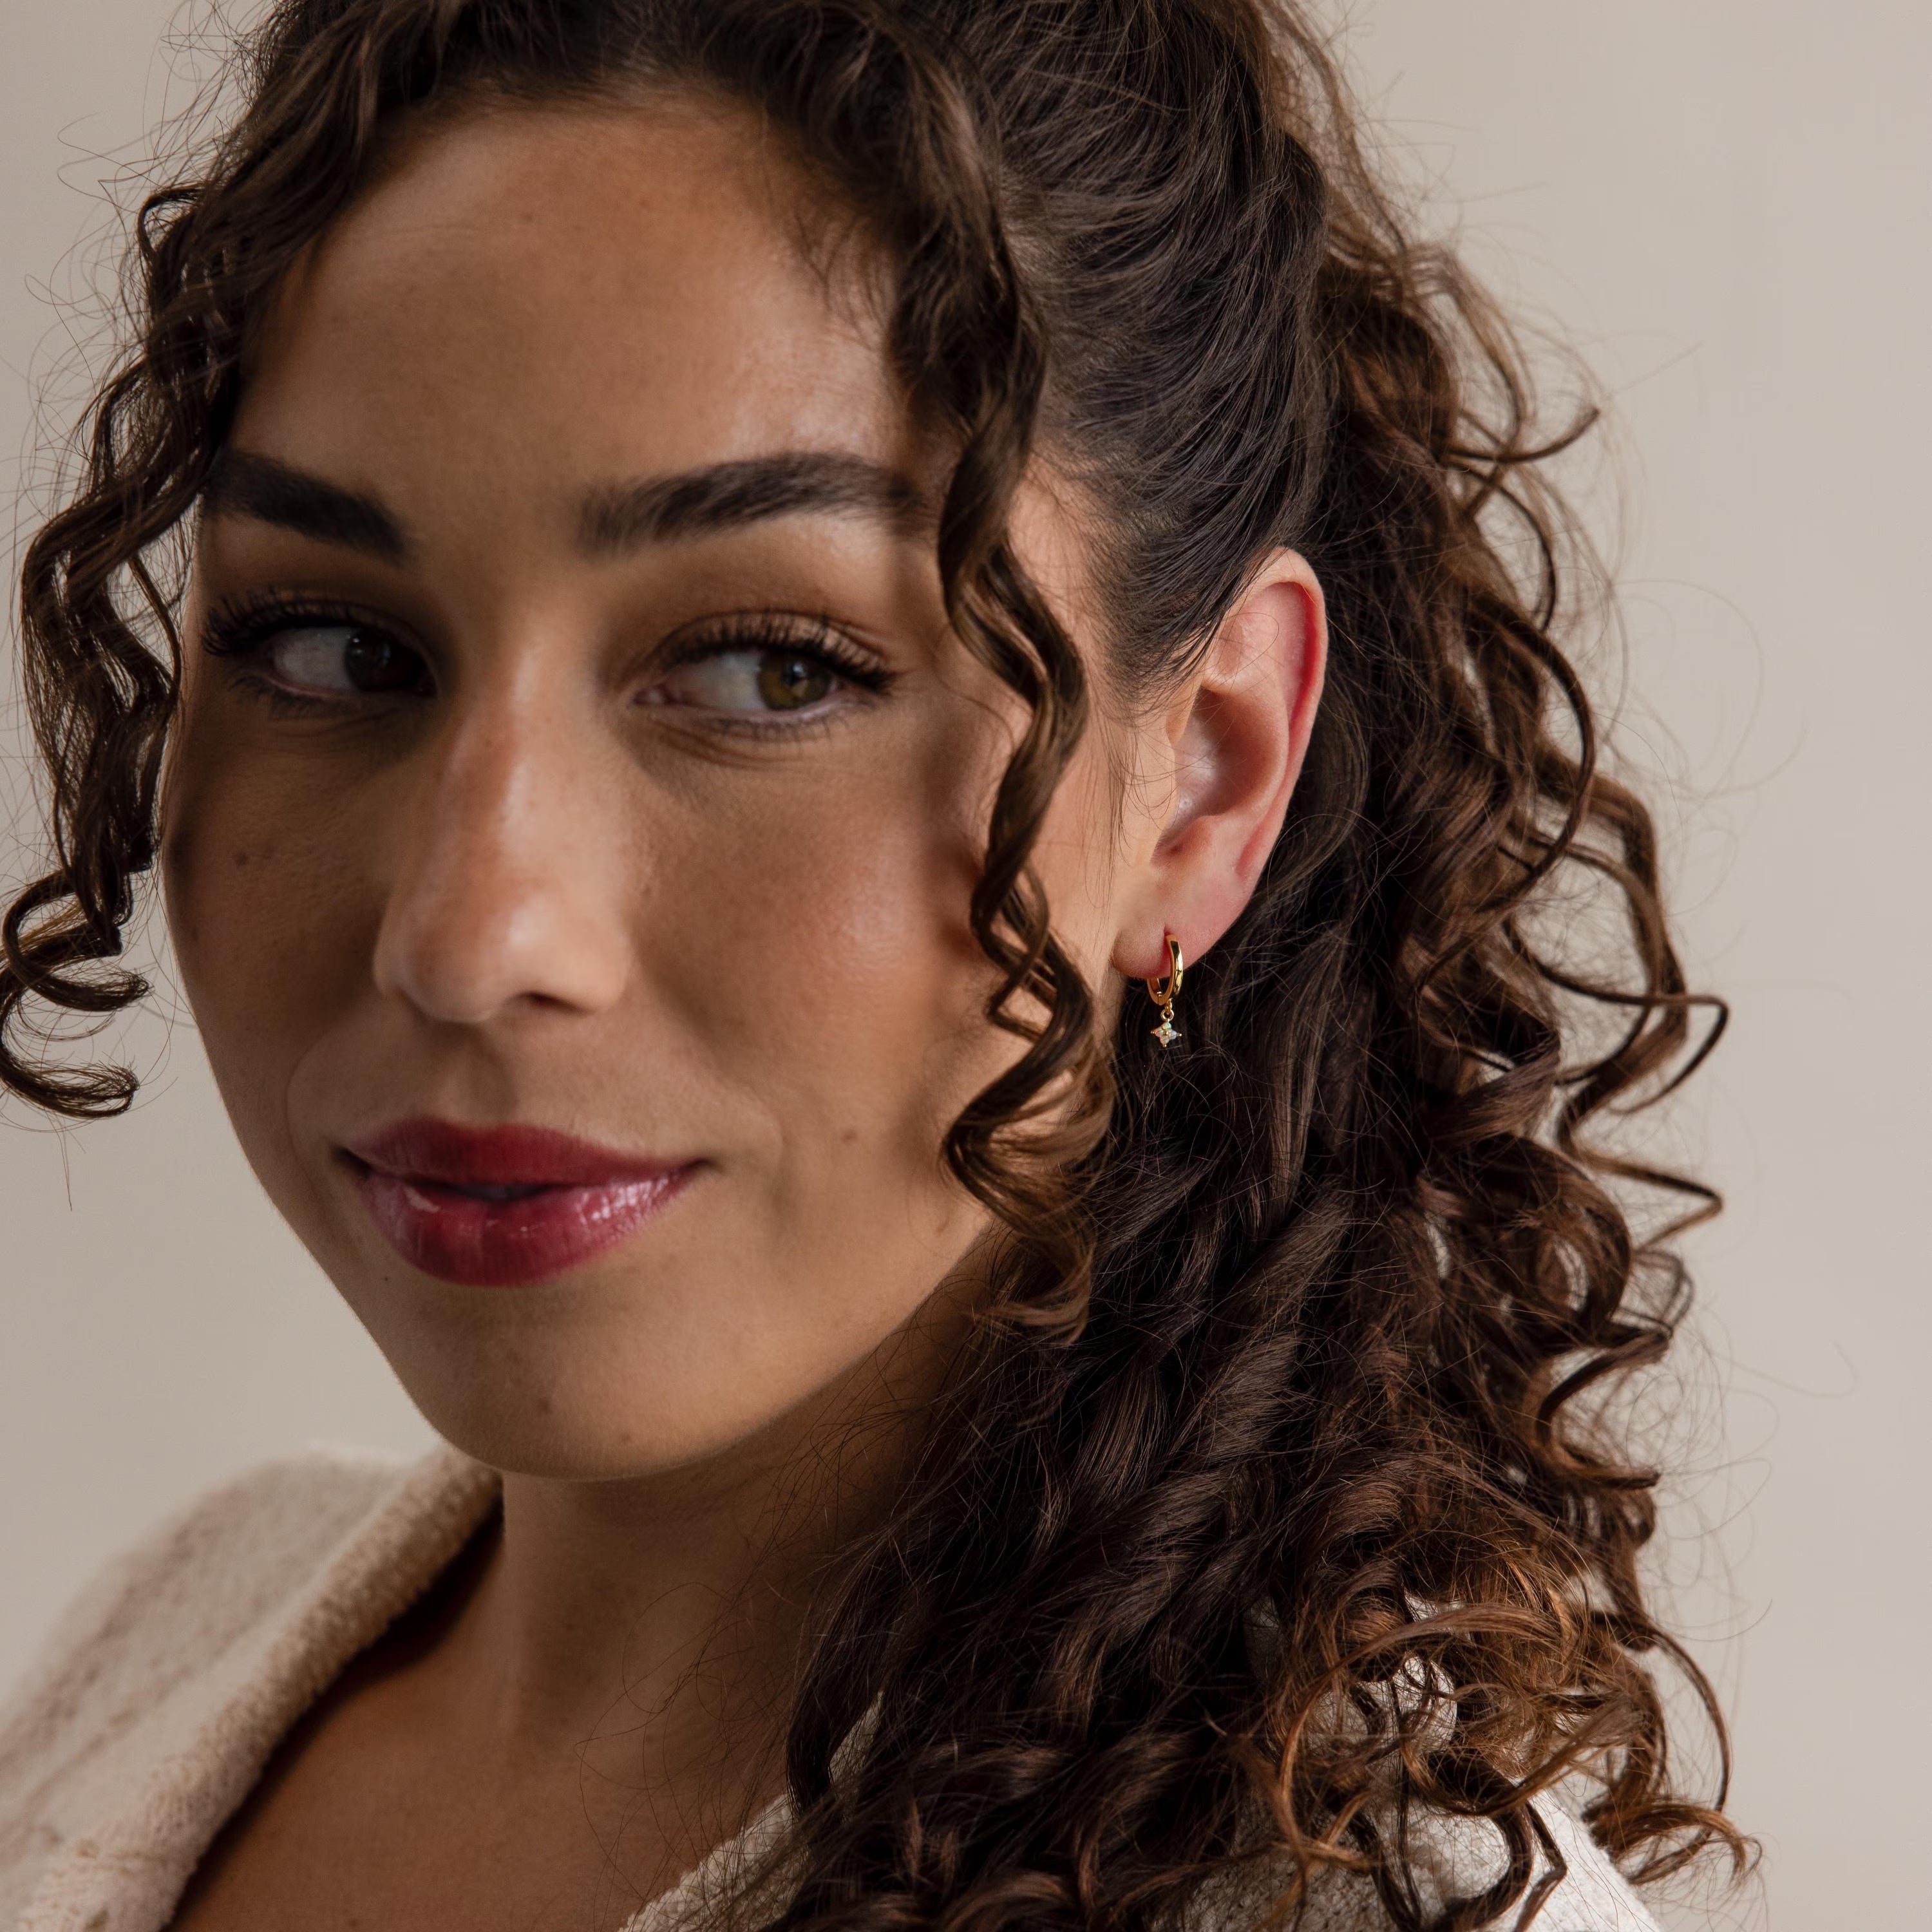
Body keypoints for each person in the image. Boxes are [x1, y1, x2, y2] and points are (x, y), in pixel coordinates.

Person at [0, 3, 1747, 1929]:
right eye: (334, 645)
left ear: (1205, 779)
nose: (471, 933)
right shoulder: (176, 1632)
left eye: (772, 670)